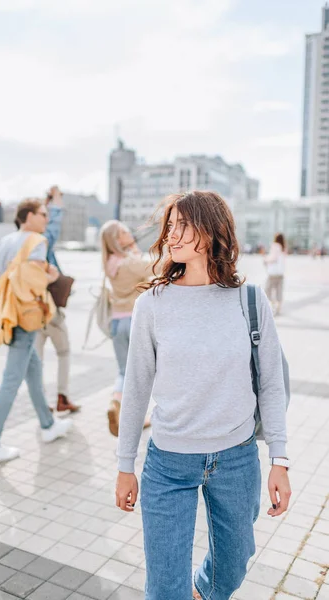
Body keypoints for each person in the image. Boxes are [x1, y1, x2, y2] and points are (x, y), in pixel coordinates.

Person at [115, 191, 291, 600]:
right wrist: (126, 464)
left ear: (211, 232)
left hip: (237, 458)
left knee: (231, 566)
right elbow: (136, 387)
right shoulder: (152, 304)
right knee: (164, 588)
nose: (171, 235)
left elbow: (271, 383)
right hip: (168, 463)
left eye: (183, 225)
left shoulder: (250, 300)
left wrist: (279, 459)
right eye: (169, 226)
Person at [0, 198, 72, 464]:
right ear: (28, 216)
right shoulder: (36, 242)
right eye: (43, 214)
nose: (46, 219)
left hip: (10, 315)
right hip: (27, 318)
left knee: (33, 371)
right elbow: (32, 282)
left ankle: (48, 425)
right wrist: (52, 277)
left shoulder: (3, 243)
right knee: (11, 380)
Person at [100, 220, 152, 437]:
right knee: (141, 375)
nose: (128, 232)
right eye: (123, 231)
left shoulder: (110, 262)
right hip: (133, 321)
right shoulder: (129, 263)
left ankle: (116, 402)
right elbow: (154, 269)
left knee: (123, 371)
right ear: (116, 239)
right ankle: (136, 419)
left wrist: (133, 250)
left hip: (116, 322)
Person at [34, 186, 80, 414]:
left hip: (31, 311)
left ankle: (41, 404)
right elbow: (54, 225)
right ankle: (61, 397)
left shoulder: (19, 242)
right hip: (49, 309)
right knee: (63, 352)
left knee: (37, 360)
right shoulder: (41, 241)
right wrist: (57, 200)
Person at [264, 233, 286, 316]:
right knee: (279, 291)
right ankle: (278, 308)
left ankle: (272, 306)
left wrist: (266, 260)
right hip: (280, 273)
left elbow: (273, 258)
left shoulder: (275, 245)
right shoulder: (283, 248)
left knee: (267, 290)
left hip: (273, 273)